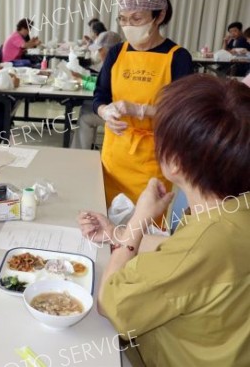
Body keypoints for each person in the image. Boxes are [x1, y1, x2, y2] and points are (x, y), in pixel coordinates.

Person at [78, 74, 250, 366]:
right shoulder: (231, 211)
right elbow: (177, 251)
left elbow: (109, 303)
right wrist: (118, 234)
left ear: (174, 163)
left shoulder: (205, 241)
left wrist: (138, 221)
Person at [93, 0, 193, 208]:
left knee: (144, 228)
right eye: (123, 19)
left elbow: (182, 114)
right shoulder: (117, 52)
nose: (129, 25)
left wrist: (139, 110)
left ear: (159, 16)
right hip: (114, 154)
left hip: (153, 159)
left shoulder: (177, 57)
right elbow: (100, 95)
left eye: (137, 18)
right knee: (107, 219)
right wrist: (104, 111)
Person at [71, 31, 121, 150]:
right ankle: (87, 147)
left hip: (117, 113)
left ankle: (80, 154)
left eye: (100, 50)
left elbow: (102, 89)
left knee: (85, 119)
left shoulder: (116, 64)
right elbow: (100, 82)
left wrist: (82, 82)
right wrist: (83, 78)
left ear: (110, 49)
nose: (98, 53)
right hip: (111, 107)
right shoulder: (112, 62)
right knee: (86, 106)